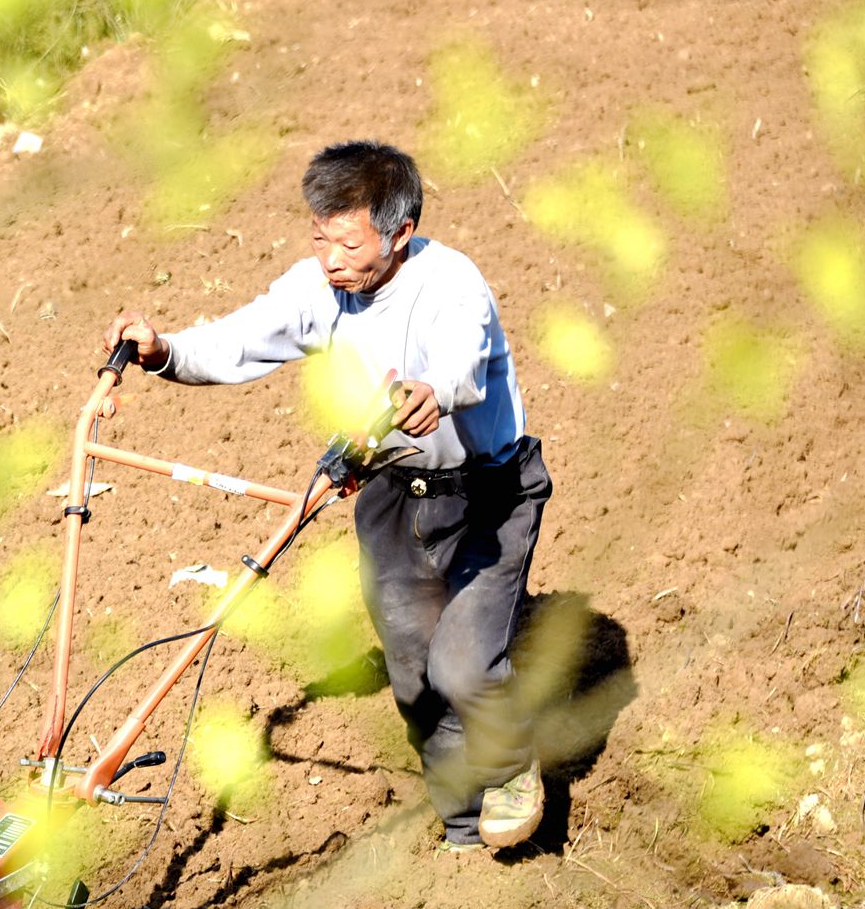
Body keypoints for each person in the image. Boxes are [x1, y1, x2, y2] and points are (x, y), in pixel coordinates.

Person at [103, 139, 552, 850]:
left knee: (463, 661)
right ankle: (463, 832)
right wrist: (166, 351)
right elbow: (243, 337)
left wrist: (433, 389)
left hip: (488, 497)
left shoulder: (451, 284)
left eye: (348, 241)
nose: (331, 257)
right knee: (414, 676)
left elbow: (460, 360)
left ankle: (512, 766)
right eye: (320, 237)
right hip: (391, 494)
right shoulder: (319, 288)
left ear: (400, 233)